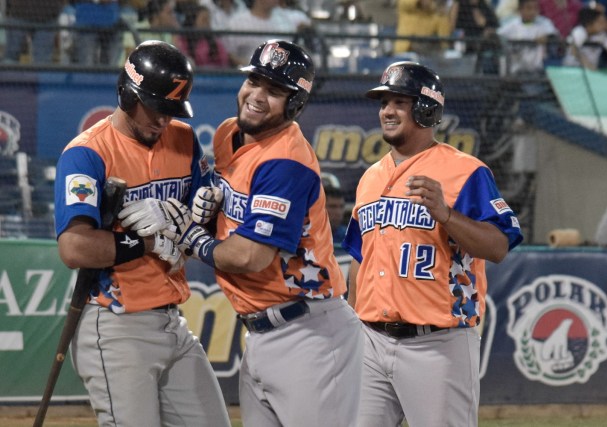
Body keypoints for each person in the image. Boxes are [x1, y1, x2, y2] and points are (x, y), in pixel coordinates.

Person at [136, 39, 364, 427]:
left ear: (295, 104)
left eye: (274, 91)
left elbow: (250, 256)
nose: (256, 96)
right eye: (254, 81)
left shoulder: (287, 159)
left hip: (310, 333)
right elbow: (230, 219)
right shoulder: (228, 133)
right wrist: (207, 211)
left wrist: (194, 236)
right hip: (259, 332)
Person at [54, 40, 231, 427]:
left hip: (172, 320)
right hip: (117, 324)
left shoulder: (183, 139)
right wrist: (145, 242)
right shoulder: (87, 153)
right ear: (126, 93)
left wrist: (203, 215)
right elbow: (74, 246)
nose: (163, 121)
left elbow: (198, 224)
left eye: (171, 111)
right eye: (155, 109)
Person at [343, 61, 523, 426]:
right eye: (383, 103)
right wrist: (350, 327)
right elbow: (360, 259)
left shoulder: (466, 171)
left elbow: (499, 245)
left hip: (437, 345)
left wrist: (447, 215)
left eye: (399, 102)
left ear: (426, 108)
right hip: (370, 341)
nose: (387, 111)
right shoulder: (370, 178)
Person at [224, 0, 312, 65]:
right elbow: (229, 54)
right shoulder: (237, 22)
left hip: (281, 75)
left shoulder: (284, 20)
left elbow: (292, 49)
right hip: (248, 74)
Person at [497, 0, 560, 75]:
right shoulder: (512, 25)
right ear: (520, 10)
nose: (533, 12)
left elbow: (555, 36)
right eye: (529, 8)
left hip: (538, 71)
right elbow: (497, 35)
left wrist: (548, 38)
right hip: (516, 71)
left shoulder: (544, 22)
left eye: (536, 8)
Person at [563, 6, 607, 71]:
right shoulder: (579, 32)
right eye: (600, 23)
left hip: (591, 72)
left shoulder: (602, 35)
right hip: (572, 69)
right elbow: (573, 50)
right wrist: (588, 65)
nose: (604, 26)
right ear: (590, 24)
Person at [175, 3, 231, 67]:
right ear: (193, 21)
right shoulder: (183, 42)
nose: (207, 24)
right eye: (204, 20)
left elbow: (223, 62)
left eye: (208, 20)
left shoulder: (215, 43)